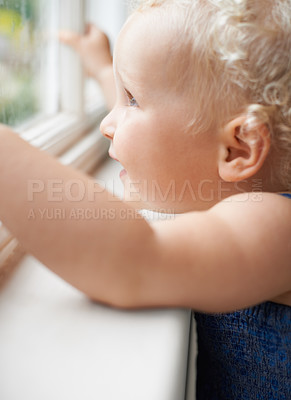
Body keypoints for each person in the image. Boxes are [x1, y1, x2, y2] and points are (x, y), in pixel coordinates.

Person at [1, 0, 291, 398]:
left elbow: (135, 259)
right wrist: (108, 71)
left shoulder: (277, 225)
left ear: (238, 150)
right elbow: (170, 130)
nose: (106, 124)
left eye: (131, 99)